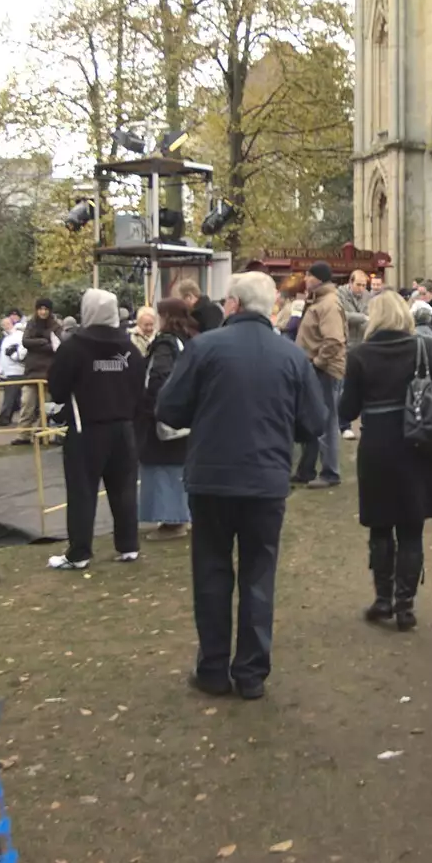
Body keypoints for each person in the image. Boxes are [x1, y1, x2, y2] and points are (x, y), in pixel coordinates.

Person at [156, 272, 323, 700]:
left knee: (211, 571)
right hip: (265, 481)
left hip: (212, 478)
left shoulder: (204, 348)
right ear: (269, 308)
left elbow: (170, 408)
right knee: (258, 574)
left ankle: (213, 668)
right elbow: (314, 423)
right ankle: (250, 673)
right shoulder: (291, 357)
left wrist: (208, 413)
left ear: (231, 304)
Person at [340, 291, 432, 630]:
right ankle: (405, 605)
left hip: (378, 446)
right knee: (411, 527)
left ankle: (382, 599)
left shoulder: (360, 355)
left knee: (380, 525)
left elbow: (346, 410)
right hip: (418, 445)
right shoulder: (424, 348)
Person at [45, 289, 145, 570]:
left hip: (85, 428)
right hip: (124, 428)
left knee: (82, 491)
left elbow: (58, 388)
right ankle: (128, 546)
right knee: (124, 488)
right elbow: (140, 385)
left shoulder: (74, 346)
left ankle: (79, 552)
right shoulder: (129, 347)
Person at [138, 298, 197, 540]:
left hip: (163, 416)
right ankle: (181, 517)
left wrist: (154, 403)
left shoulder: (165, 345)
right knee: (179, 467)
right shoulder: (190, 341)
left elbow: (159, 378)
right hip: (187, 414)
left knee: (164, 468)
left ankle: (173, 522)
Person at [293, 261, 347, 489]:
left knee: (326, 420)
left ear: (318, 278)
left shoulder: (328, 304)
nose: (305, 278)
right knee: (313, 418)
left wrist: (317, 362)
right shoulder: (319, 301)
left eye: (309, 275)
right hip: (316, 368)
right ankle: (307, 469)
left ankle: (330, 472)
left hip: (324, 370)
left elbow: (334, 340)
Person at [14, 298, 62, 445]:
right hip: (32, 371)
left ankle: (43, 434)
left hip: (48, 372)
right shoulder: (31, 324)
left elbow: (56, 346)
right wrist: (43, 342)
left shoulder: (55, 326)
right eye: (40, 309)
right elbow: (25, 341)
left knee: (46, 407)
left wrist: (38, 344)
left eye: (46, 309)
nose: (43, 312)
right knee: (27, 403)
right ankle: (23, 434)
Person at [339, 269, 371, 440]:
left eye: (364, 285)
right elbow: (344, 314)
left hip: (363, 344)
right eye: (358, 284)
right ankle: (344, 425)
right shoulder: (340, 294)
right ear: (350, 283)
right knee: (346, 386)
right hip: (346, 344)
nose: (361, 288)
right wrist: (364, 317)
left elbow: (371, 312)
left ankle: (367, 424)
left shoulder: (368, 295)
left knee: (366, 386)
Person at [0, 312, 26, 427]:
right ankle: (7, 417)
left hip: (16, 370)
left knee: (10, 396)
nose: (5, 326)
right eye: (3, 324)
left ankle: (4, 418)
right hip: (8, 371)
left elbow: (22, 352)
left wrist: (14, 355)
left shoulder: (18, 336)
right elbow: (2, 356)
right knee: (15, 396)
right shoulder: (6, 338)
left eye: (7, 323)